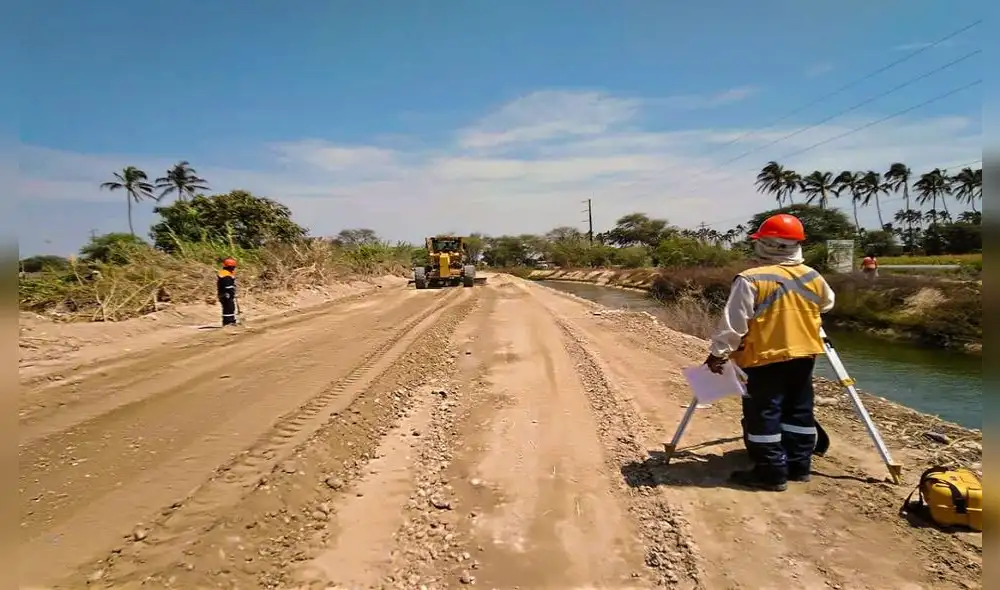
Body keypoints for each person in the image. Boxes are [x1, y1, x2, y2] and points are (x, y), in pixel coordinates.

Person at [704, 213, 835, 492]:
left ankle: (771, 472)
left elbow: (734, 324)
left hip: (764, 357)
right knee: (799, 409)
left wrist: (718, 353)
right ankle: (799, 466)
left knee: (764, 412)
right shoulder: (812, 276)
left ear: (766, 244)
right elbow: (827, 304)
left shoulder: (750, 279)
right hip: (804, 355)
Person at [217, 257, 238, 326]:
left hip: (225, 294)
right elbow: (228, 286)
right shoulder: (226, 275)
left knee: (230, 307)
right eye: (233, 267)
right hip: (226, 294)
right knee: (229, 308)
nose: (234, 268)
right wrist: (232, 292)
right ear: (230, 266)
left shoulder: (226, 273)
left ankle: (230, 321)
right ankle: (228, 322)